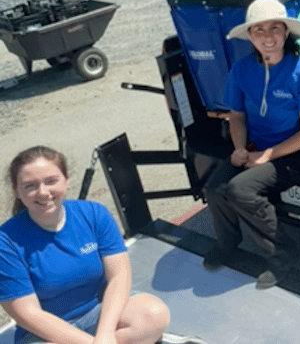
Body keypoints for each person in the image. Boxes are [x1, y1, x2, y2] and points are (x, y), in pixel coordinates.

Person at [202, 0, 300, 290]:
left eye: (275, 29)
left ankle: (283, 255)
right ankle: (227, 244)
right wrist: (240, 148)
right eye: (259, 30)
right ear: (251, 36)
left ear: (286, 33)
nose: (268, 37)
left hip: (295, 155)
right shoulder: (242, 70)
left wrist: (267, 156)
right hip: (257, 150)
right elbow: (237, 116)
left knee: (240, 189)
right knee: (214, 189)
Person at [0, 146, 172, 344]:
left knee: (154, 315)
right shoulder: (5, 242)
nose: (43, 192)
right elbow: (28, 314)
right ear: (16, 191)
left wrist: (106, 334)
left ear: (66, 181)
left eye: (51, 181)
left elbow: (119, 276)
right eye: (30, 185)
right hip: (46, 332)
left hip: (98, 312)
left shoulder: (94, 214)